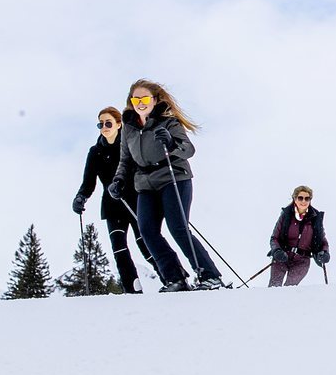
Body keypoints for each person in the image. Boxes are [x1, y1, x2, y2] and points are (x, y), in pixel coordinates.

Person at [109, 79, 224, 292]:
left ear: (154, 100)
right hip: (145, 183)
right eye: (136, 99)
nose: (140, 103)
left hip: (174, 178)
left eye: (144, 98)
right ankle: (175, 278)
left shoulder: (168, 122)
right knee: (147, 230)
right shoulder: (129, 128)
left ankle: (210, 276)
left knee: (177, 226)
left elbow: (188, 149)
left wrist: (171, 143)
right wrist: (118, 180)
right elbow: (125, 159)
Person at [71, 106, 165, 293]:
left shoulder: (129, 144)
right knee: (119, 248)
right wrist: (81, 197)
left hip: (135, 200)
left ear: (118, 124)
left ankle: (170, 277)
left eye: (108, 123)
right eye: (100, 124)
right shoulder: (95, 152)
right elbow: (88, 181)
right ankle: (131, 287)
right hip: (113, 205)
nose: (104, 127)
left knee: (145, 243)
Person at [268, 186, 329, 287]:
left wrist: (325, 253)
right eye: (300, 198)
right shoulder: (286, 215)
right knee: (274, 287)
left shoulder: (315, 218)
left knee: (289, 289)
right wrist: (277, 251)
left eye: (307, 198)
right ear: (295, 199)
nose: (303, 201)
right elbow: (274, 238)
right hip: (282, 257)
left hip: (302, 261)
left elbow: (322, 241)